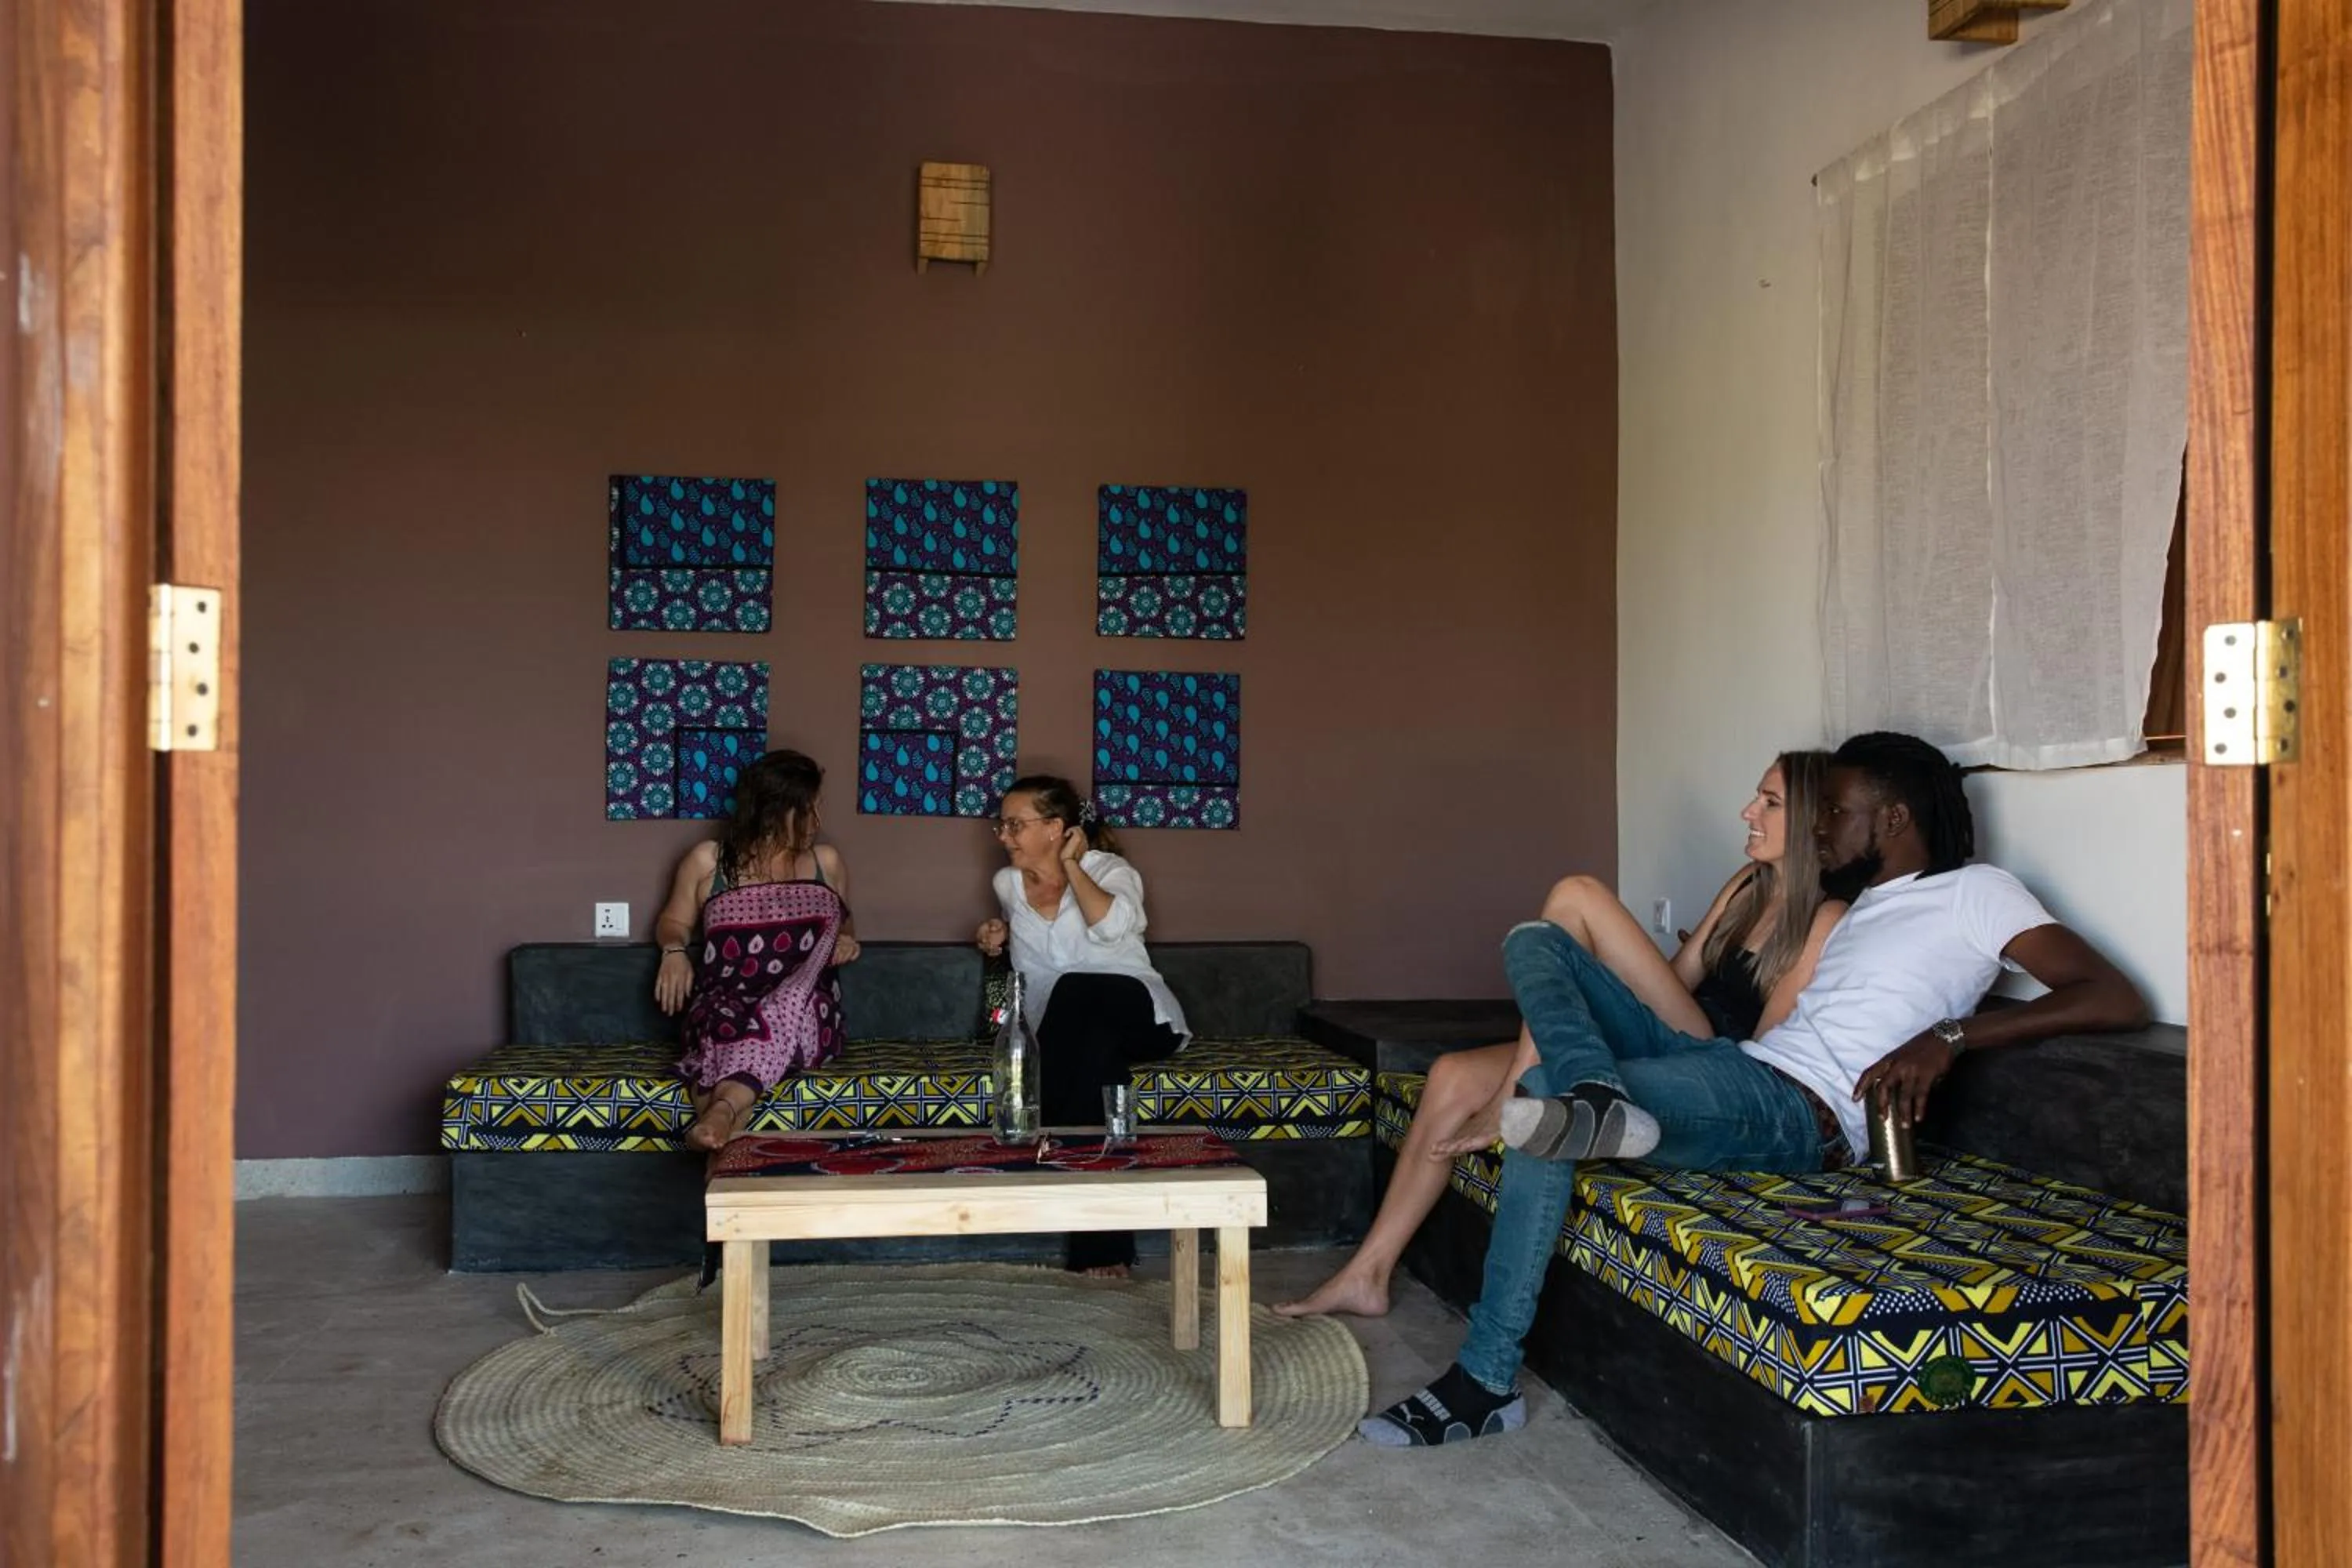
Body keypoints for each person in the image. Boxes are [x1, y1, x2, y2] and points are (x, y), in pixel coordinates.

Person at [1360, 731, 2149, 1449]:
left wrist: (1947, 1037)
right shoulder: (1864, 902)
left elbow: (2112, 996)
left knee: (1546, 1105)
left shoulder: (1978, 891)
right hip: (1746, 1068)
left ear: (1896, 817)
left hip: (1801, 1113)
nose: (1818, 825)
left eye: (1837, 810)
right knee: (1538, 939)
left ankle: (1485, 1379)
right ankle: (1598, 1093)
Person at [1275, 750, 1846, 1319]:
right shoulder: (1748, 884)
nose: (1749, 811)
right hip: (1674, 1036)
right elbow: (1676, 983)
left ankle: (1513, 1093)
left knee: (1577, 894)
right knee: (1450, 1075)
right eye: (1758, 796)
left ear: (1815, 821)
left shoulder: (1826, 917)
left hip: (1718, 1067)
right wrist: (1601, 1004)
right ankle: (1366, 1274)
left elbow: (1765, 1061)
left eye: (1770, 803)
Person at [975, 774, 1189, 1276]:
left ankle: (1033, 1130)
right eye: (1000, 825)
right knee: (1098, 1060)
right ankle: (1103, 1254)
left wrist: (1072, 864)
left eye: (1015, 825)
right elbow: (1029, 950)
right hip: (1071, 1036)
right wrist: (995, 936)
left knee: (1077, 987)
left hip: (1142, 1016)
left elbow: (1113, 926)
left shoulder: (1110, 870)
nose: (1003, 836)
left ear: (1055, 828)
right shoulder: (1007, 885)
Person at [652, 749, 861, 1152]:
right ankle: (725, 1130)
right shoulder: (708, 861)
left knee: (784, 1006)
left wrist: (848, 940)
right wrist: (673, 951)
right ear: (773, 811)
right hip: (725, 997)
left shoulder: (827, 862)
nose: (817, 823)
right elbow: (673, 922)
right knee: (722, 1023)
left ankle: (720, 1113)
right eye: (808, 811)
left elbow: (844, 924)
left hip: (808, 1003)